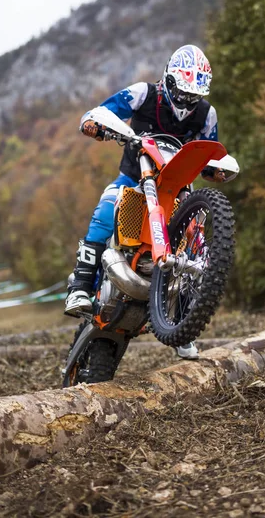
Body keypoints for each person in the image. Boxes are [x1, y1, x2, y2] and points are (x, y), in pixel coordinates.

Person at [64, 44, 225, 359]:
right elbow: (103, 111)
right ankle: (81, 287)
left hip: (178, 187)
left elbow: (211, 152)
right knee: (105, 211)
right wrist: (94, 123)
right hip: (133, 179)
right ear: (169, 79)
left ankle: (183, 322)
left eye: (194, 95)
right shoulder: (143, 94)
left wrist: (216, 170)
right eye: (182, 92)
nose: (186, 101)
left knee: (196, 237)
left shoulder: (207, 114)